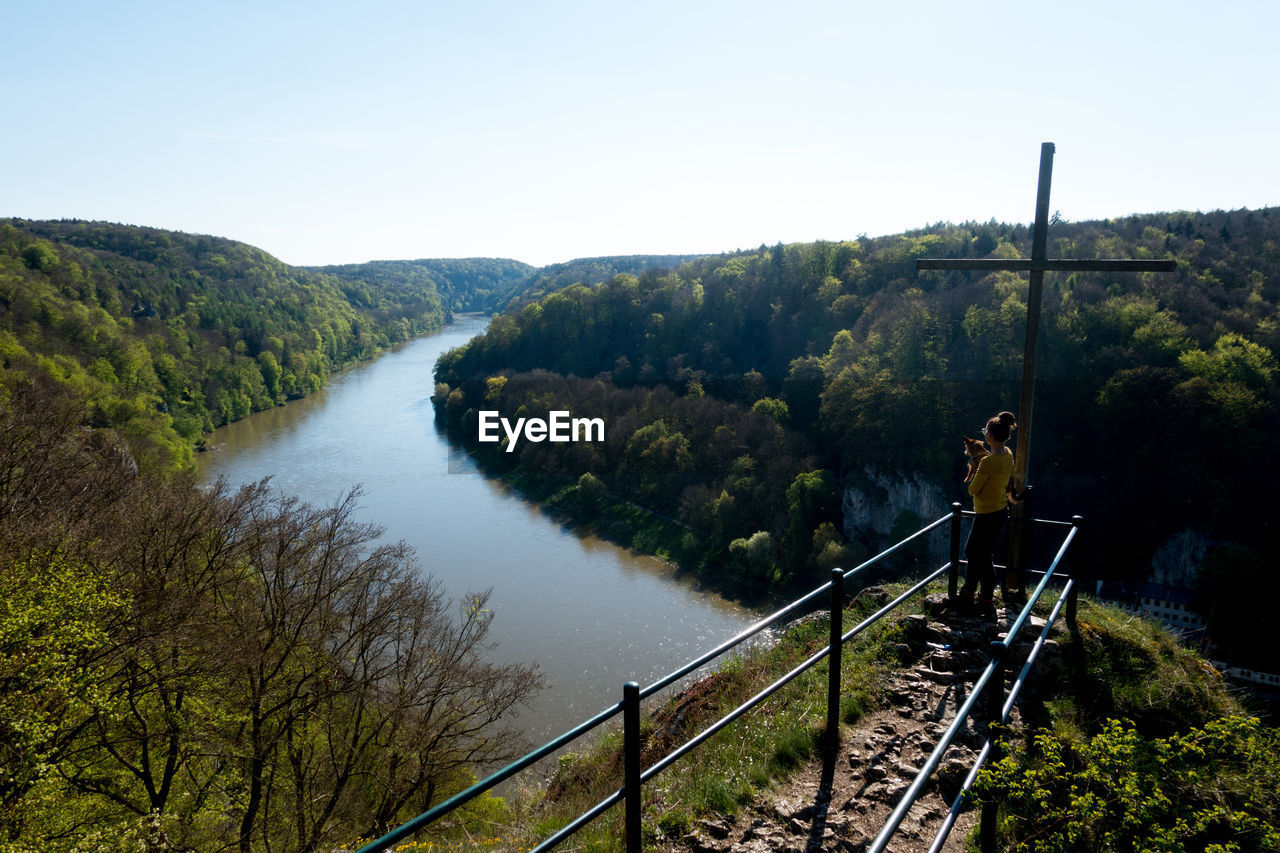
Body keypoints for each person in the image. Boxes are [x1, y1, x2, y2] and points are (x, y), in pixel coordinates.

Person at [958, 411, 1017, 614]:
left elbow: (973, 489)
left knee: (976, 552)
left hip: (986, 514)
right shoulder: (1008, 454)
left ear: (989, 436)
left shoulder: (987, 462)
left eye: (985, 431)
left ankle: (985, 595)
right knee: (979, 552)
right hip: (1000, 511)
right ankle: (972, 591)